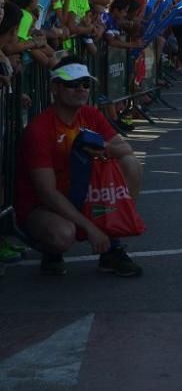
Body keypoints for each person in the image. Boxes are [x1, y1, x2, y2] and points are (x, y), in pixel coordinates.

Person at [14, 57, 144, 277]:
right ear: (54, 88)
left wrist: (101, 148)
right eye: (72, 84)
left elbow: (125, 150)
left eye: (85, 83)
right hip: (43, 206)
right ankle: (51, 250)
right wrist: (90, 228)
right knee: (63, 235)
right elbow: (46, 192)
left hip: (83, 193)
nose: (81, 89)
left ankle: (111, 245)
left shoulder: (90, 115)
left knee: (132, 164)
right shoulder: (39, 129)